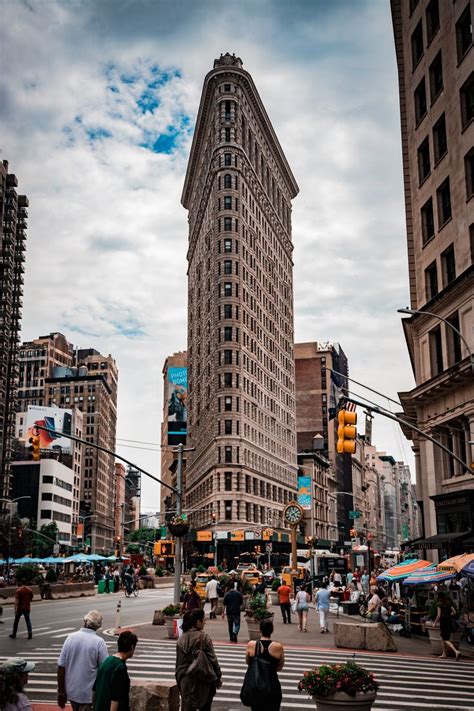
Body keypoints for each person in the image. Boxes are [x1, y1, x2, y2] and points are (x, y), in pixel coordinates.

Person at [57, 610, 109, 710]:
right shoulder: (99, 642)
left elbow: (61, 666)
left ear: (84, 621)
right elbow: (104, 669)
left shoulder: (70, 638)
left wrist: (61, 691)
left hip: (72, 691)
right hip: (88, 694)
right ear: (98, 626)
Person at [176, 609, 222, 711]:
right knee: (205, 706)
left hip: (186, 681)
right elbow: (213, 659)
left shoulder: (181, 639)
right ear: (198, 622)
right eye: (203, 620)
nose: (204, 622)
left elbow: (178, 664)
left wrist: (180, 681)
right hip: (203, 679)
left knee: (187, 707)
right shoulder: (204, 637)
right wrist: (218, 676)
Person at [244, 619, 284, 711]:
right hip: (272, 685)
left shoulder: (251, 644)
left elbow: (248, 662)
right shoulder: (278, 647)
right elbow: (280, 667)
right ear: (272, 630)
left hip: (256, 685)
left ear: (260, 630)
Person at [93, 630, 137, 711]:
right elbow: (115, 700)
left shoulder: (106, 661)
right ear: (132, 647)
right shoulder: (120, 668)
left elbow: (95, 691)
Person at [435, 592, 461, 661]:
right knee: (442, 637)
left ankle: (456, 651)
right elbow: (454, 612)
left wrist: (434, 623)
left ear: (439, 597)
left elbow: (439, 615)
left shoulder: (439, 604)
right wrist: (449, 615)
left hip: (443, 622)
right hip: (449, 621)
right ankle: (444, 654)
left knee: (445, 639)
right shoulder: (449, 603)